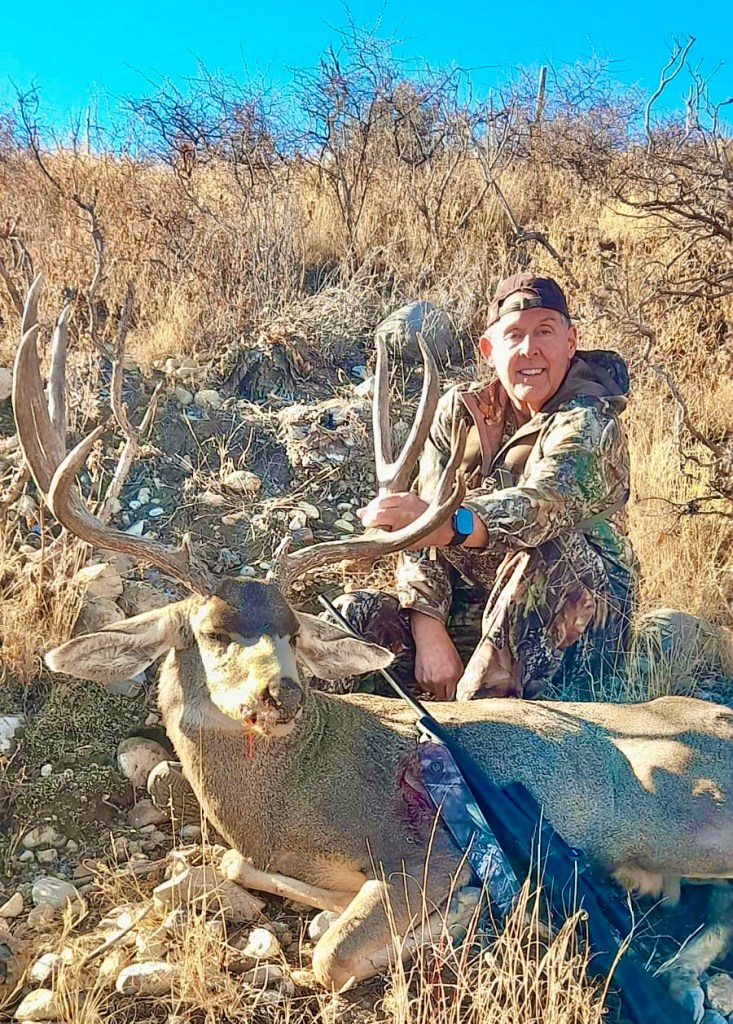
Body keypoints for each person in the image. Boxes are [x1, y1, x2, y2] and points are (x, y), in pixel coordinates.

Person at [330, 272, 639, 701]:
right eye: (514, 335)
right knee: (352, 621)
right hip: (473, 612)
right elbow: (420, 532)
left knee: (545, 547)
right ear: (489, 351)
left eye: (544, 332)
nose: (529, 349)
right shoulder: (461, 412)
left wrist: (449, 522)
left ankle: (487, 723)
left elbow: (543, 506)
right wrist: (427, 626)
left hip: (576, 625)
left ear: (570, 342)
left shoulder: (590, 422)